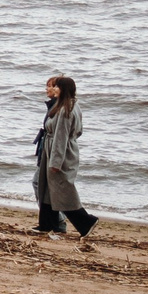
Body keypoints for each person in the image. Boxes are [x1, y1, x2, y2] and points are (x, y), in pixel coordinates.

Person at [38, 73, 94, 237]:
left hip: (59, 151)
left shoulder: (65, 110)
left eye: (56, 86)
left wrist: (56, 162)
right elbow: (79, 131)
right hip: (57, 148)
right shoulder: (72, 105)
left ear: (63, 89)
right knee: (48, 188)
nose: (53, 88)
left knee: (62, 189)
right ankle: (46, 224)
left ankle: (86, 222)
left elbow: (61, 137)